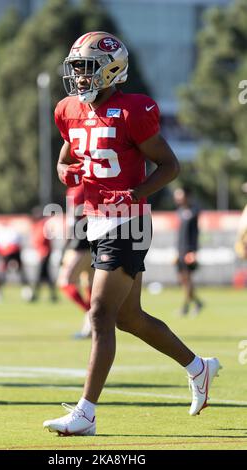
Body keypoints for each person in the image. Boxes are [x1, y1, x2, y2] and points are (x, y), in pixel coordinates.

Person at [43, 31, 221, 436]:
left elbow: (170, 166)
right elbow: (64, 159)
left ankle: (85, 413)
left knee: (100, 314)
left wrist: (135, 193)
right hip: (94, 218)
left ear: (111, 70)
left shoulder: (133, 111)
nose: (81, 78)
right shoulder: (68, 109)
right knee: (129, 318)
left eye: (88, 69)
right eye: (77, 70)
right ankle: (199, 368)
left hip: (130, 221)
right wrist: (66, 171)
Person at [57, 185, 93, 338]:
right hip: (95, 243)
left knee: (65, 282)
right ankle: (90, 327)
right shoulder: (89, 183)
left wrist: (65, 246)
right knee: (89, 285)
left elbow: (75, 219)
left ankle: (91, 314)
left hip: (80, 245)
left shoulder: (76, 189)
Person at [173, 187, 203, 316]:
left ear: (186, 196)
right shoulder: (179, 211)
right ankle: (197, 303)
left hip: (188, 250)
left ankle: (185, 307)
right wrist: (176, 252)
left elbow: (195, 233)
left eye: (179, 195)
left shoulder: (194, 211)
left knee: (187, 280)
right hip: (180, 250)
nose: (177, 198)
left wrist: (193, 251)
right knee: (182, 280)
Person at [29, 207, 58, 302]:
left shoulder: (42, 225)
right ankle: (53, 296)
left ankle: (35, 295)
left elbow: (42, 239)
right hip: (42, 253)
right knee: (46, 276)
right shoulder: (38, 225)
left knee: (39, 275)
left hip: (44, 253)